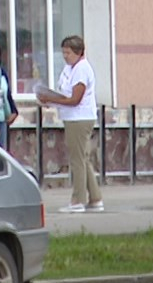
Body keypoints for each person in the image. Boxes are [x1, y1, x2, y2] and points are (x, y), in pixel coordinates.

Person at [35, 35, 103, 213]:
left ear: (79, 52)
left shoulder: (81, 69)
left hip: (78, 118)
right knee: (83, 158)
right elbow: (65, 95)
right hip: (72, 116)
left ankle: (78, 200)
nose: (65, 56)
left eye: (69, 53)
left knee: (77, 160)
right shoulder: (70, 68)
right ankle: (95, 198)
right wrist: (52, 99)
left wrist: (51, 99)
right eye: (63, 52)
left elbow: (75, 99)